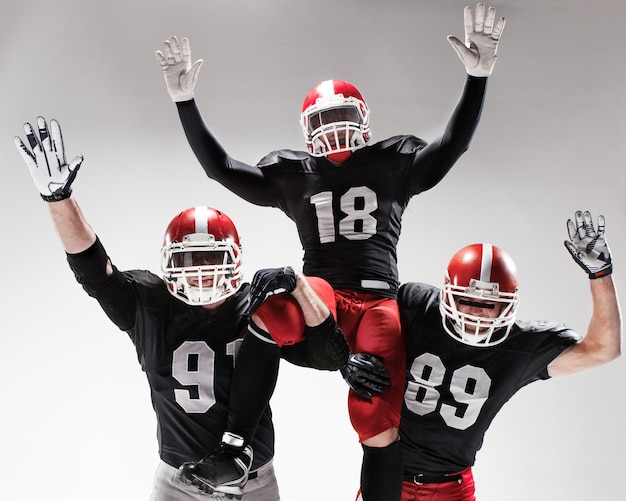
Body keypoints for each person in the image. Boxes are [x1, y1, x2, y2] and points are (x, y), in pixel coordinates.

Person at [156, 4, 505, 500]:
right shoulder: (294, 175)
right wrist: (185, 102)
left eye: (343, 116)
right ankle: (236, 450)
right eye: (325, 118)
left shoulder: (392, 162)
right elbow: (222, 169)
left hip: (380, 300)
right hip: (322, 292)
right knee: (271, 310)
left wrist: (477, 77)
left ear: (364, 120)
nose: (335, 127)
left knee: (374, 414)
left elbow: (451, 145)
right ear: (305, 128)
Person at [14, 116, 372, 500]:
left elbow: (323, 355)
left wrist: (299, 287)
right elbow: (92, 268)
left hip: (253, 481)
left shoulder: (259, 306)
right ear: (170, 262)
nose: (201, 272)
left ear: (234, 260)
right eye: (190, 261)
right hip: (178, 482)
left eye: (210, 258)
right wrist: (59, 199)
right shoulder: (149, 303)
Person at [393, 211, 621, 501]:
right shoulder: (415, 306)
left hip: (451, 489)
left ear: (508, 306)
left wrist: (600, 275)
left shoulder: (519, 346)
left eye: (489, 303)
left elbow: (604, 349)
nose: (476, 311)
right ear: (447, 294)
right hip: (385, 473)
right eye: (467, 300)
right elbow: (357, 329)